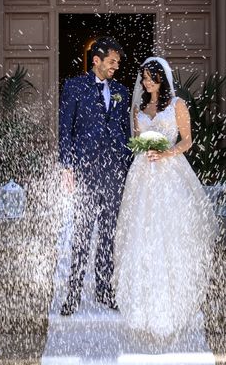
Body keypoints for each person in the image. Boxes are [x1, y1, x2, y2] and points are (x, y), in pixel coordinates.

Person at [112, 57, 218, 338]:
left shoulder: (177, 105)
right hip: (142, 175)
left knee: (169, 233)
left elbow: (187, 141)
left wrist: (165, 152)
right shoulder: (138, 109)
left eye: (151, 77)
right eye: (144, 78)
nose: (147, 83)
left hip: (170, 173)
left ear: (163, 78)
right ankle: (141, 304)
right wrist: (143, 148)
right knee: (141, 234)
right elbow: (136, 139)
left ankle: (172, 299)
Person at [58, 36, 131, 315]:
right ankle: (73, 294)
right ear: (97, 60)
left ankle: (104, 290)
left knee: (108, 235)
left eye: (118, 63)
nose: (116, 67)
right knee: (82, 234)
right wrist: (67, 167)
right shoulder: (74, 87)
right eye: (112, 61)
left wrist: (127, 165)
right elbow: (65, 129)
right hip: (86, 174)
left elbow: (124, 131)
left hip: (115, 173)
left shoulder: (121, 91)